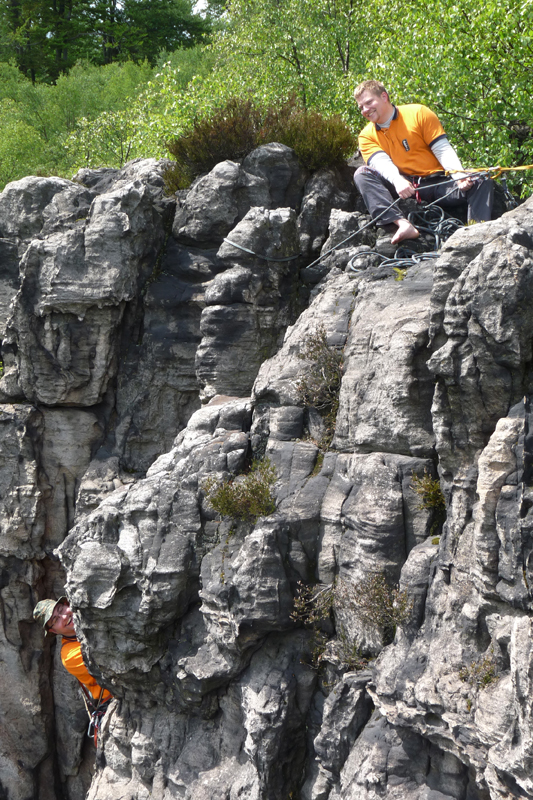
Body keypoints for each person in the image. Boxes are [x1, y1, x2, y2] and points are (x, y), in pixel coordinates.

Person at [353, 80, 494, 244]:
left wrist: (459, 175)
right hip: (405, 186)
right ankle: (402, 224)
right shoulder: (366, 136)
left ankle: (475, 237)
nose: (365, 110)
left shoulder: (418, 113)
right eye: (361, 107)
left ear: (384, 96)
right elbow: (381, 163)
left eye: (369, 102)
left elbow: (442, 149)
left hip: (438, 183)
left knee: (481, 179)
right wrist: (398, 181)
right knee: (362, 174)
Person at [33, 597, 113, 743]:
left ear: (67, 604)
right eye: (55, 620)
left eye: (61, 609)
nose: (64, 617)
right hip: (115, 699)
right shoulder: (69, 655)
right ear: (53, 630)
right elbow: (108, 659)